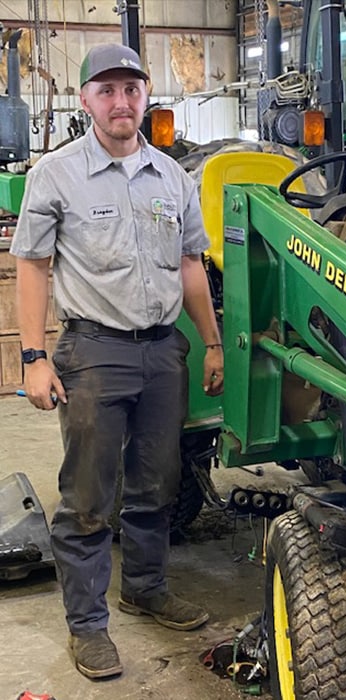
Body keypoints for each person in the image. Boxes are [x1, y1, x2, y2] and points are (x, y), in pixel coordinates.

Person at [10, 43, 224, 681]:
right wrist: (33, 357)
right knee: (86, 499)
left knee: (157, 485)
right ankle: (88, 626)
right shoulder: (56, 173)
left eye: (131, 89)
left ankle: (146, 588)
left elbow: (191, 267)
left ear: (145, 95)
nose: (120, 102)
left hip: (164, 351)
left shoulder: (174, 177)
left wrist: (211, 341)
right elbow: (32, 266)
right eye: (106, 90)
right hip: (93, 352)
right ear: (85, 100)